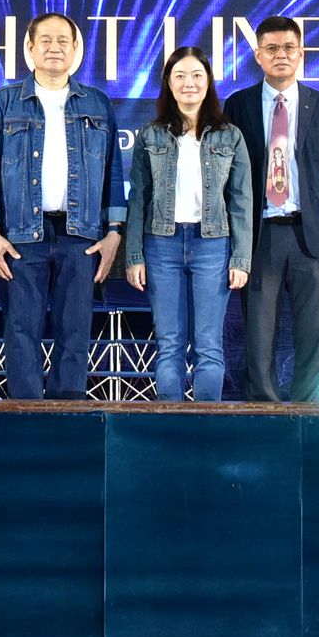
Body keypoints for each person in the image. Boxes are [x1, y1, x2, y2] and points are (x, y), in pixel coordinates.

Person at [0, 13, 124, 400]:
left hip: (81, 235)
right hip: (21, 236)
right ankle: (25, 419)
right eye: (46, 40)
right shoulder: (4, 102)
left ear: (75, 49)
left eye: (63, 41)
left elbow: (113, 171)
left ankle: (67, 416)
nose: (54, 47)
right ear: (29, 48)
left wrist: (114, 232)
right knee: (20, 330)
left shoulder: (97, 103)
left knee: (75, 331)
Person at [224, 17, 319, 403]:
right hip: (259, 234)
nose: (281, 55)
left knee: (314, 331)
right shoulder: (239, 105)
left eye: (289, 48)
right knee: (259, 333)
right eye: (272, 49)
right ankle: (263, 409)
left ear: (300, 53)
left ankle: (308, 410)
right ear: (258, 56)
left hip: (310, 235)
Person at [121, 46, 253, 400]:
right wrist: (134, 256)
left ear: (208, 81)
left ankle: (207, 425)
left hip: (213, 245)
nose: (188, 83)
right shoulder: (151, 135)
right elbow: (138, 199)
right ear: (168, 82)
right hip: (160, 245)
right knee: (170, 344)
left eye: (196, 75)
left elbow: (241, 201)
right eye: (179, 76)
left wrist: (240, 259)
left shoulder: (230, 135)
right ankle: (171, 423)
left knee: (209, 345)